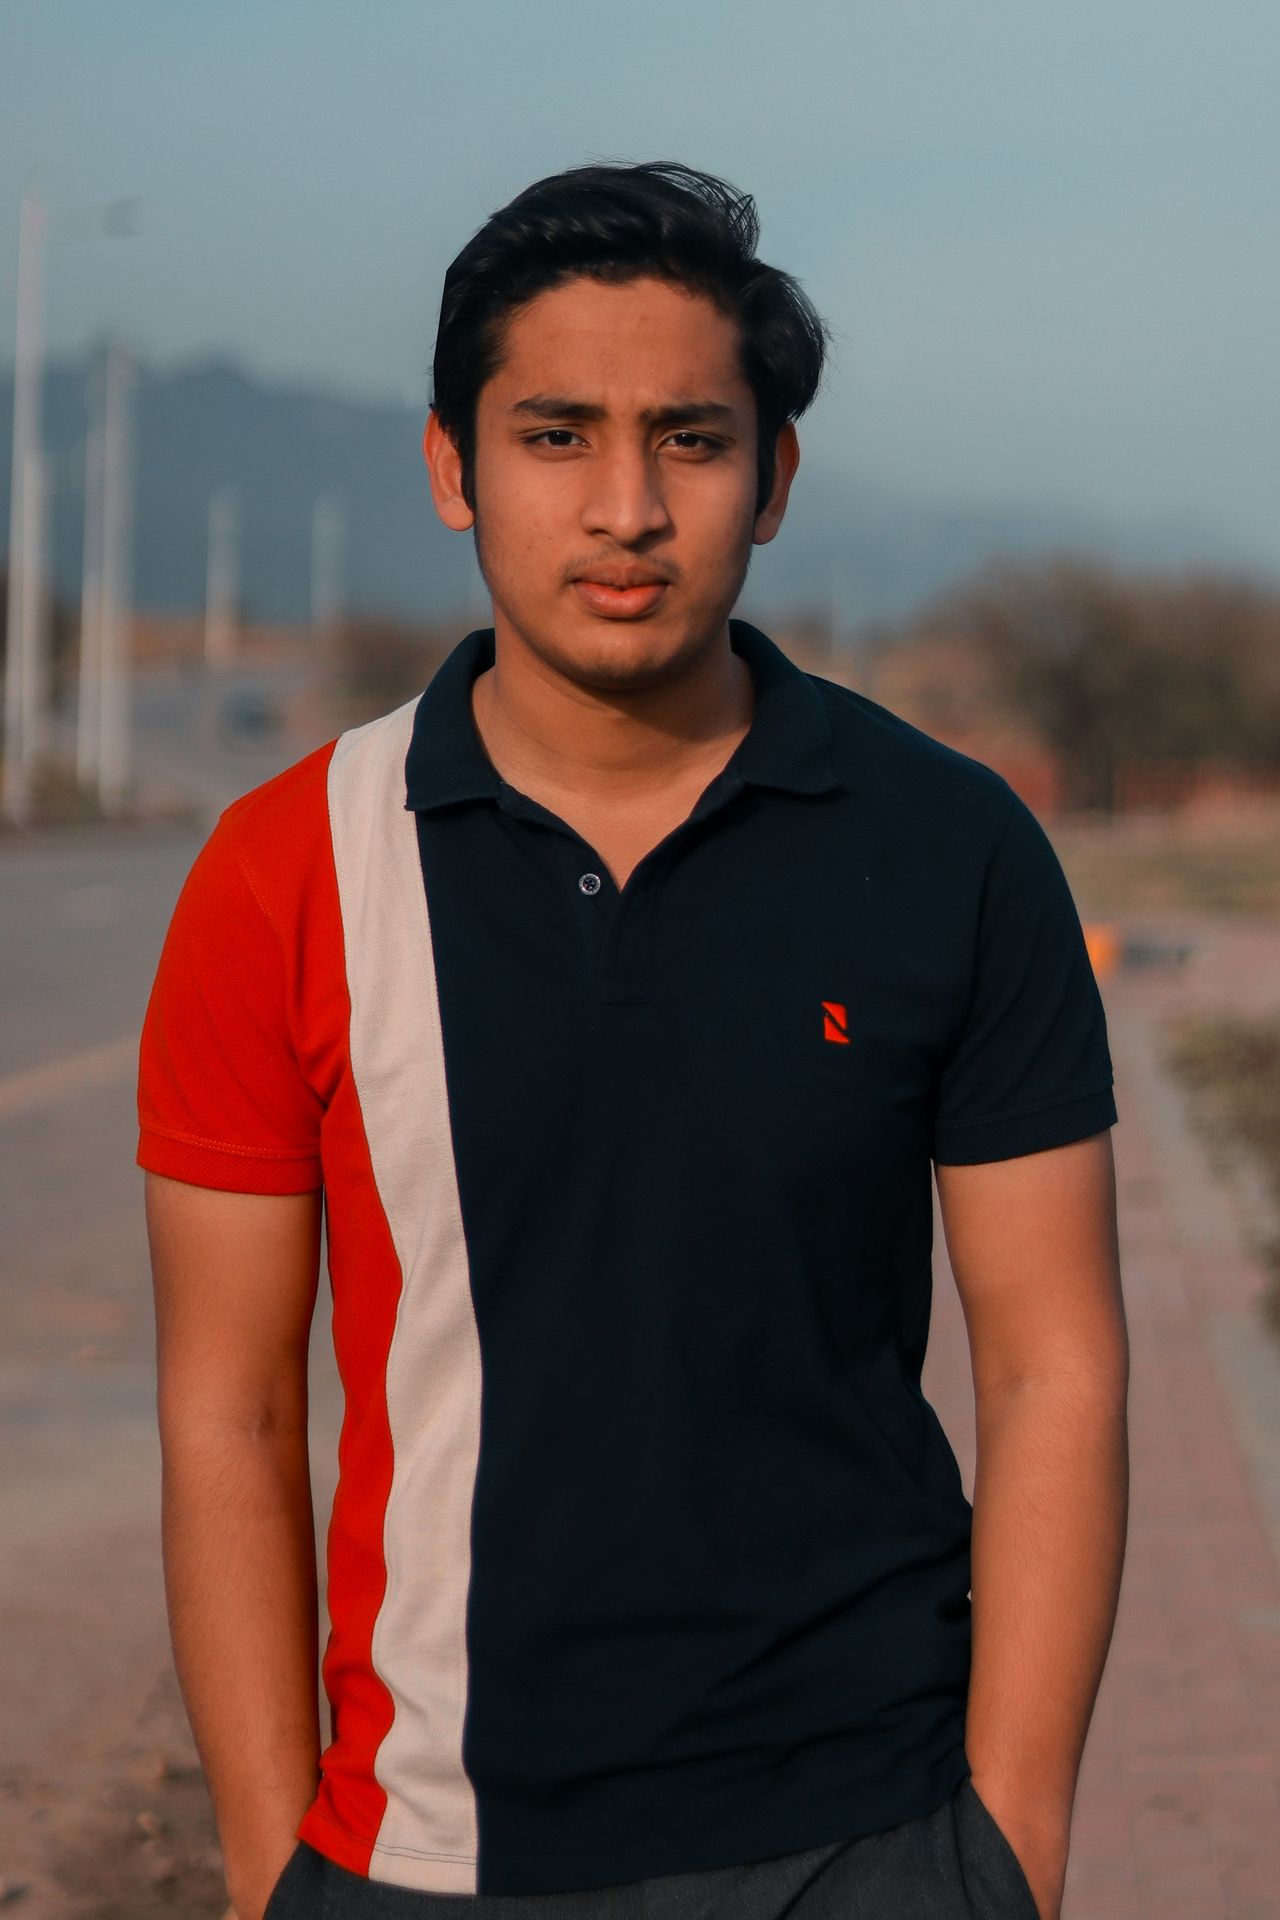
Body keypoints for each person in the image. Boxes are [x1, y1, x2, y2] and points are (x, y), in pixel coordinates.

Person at [137, 161, 1129, 1920]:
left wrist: (1008, 1847)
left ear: (775, 476)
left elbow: (1054, 1361)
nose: (626, 508)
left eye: (689, 438)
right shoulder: (289, 870)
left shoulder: (950, 847)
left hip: (871, 1832)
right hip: (430, 1848)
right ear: (452, 466)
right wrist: (266, 1866)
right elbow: (229, 1406)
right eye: (554, 435)